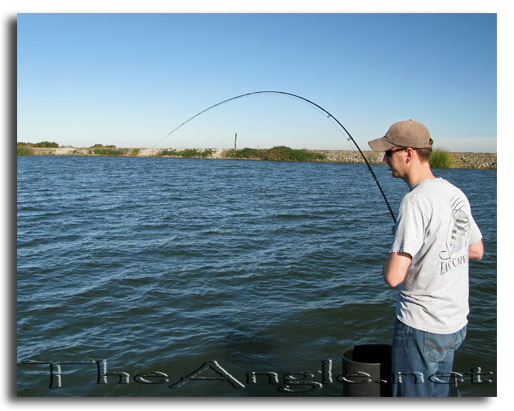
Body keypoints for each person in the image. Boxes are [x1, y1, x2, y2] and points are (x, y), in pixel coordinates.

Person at [368, 119, 484, 397]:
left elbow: (394, 277)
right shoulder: (455, 194)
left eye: (388, 152)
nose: (384, 159)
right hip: (454, 324)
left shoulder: (414, 201)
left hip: (421, 327)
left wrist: (397, 245)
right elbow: (476, 249)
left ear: (408, 153)